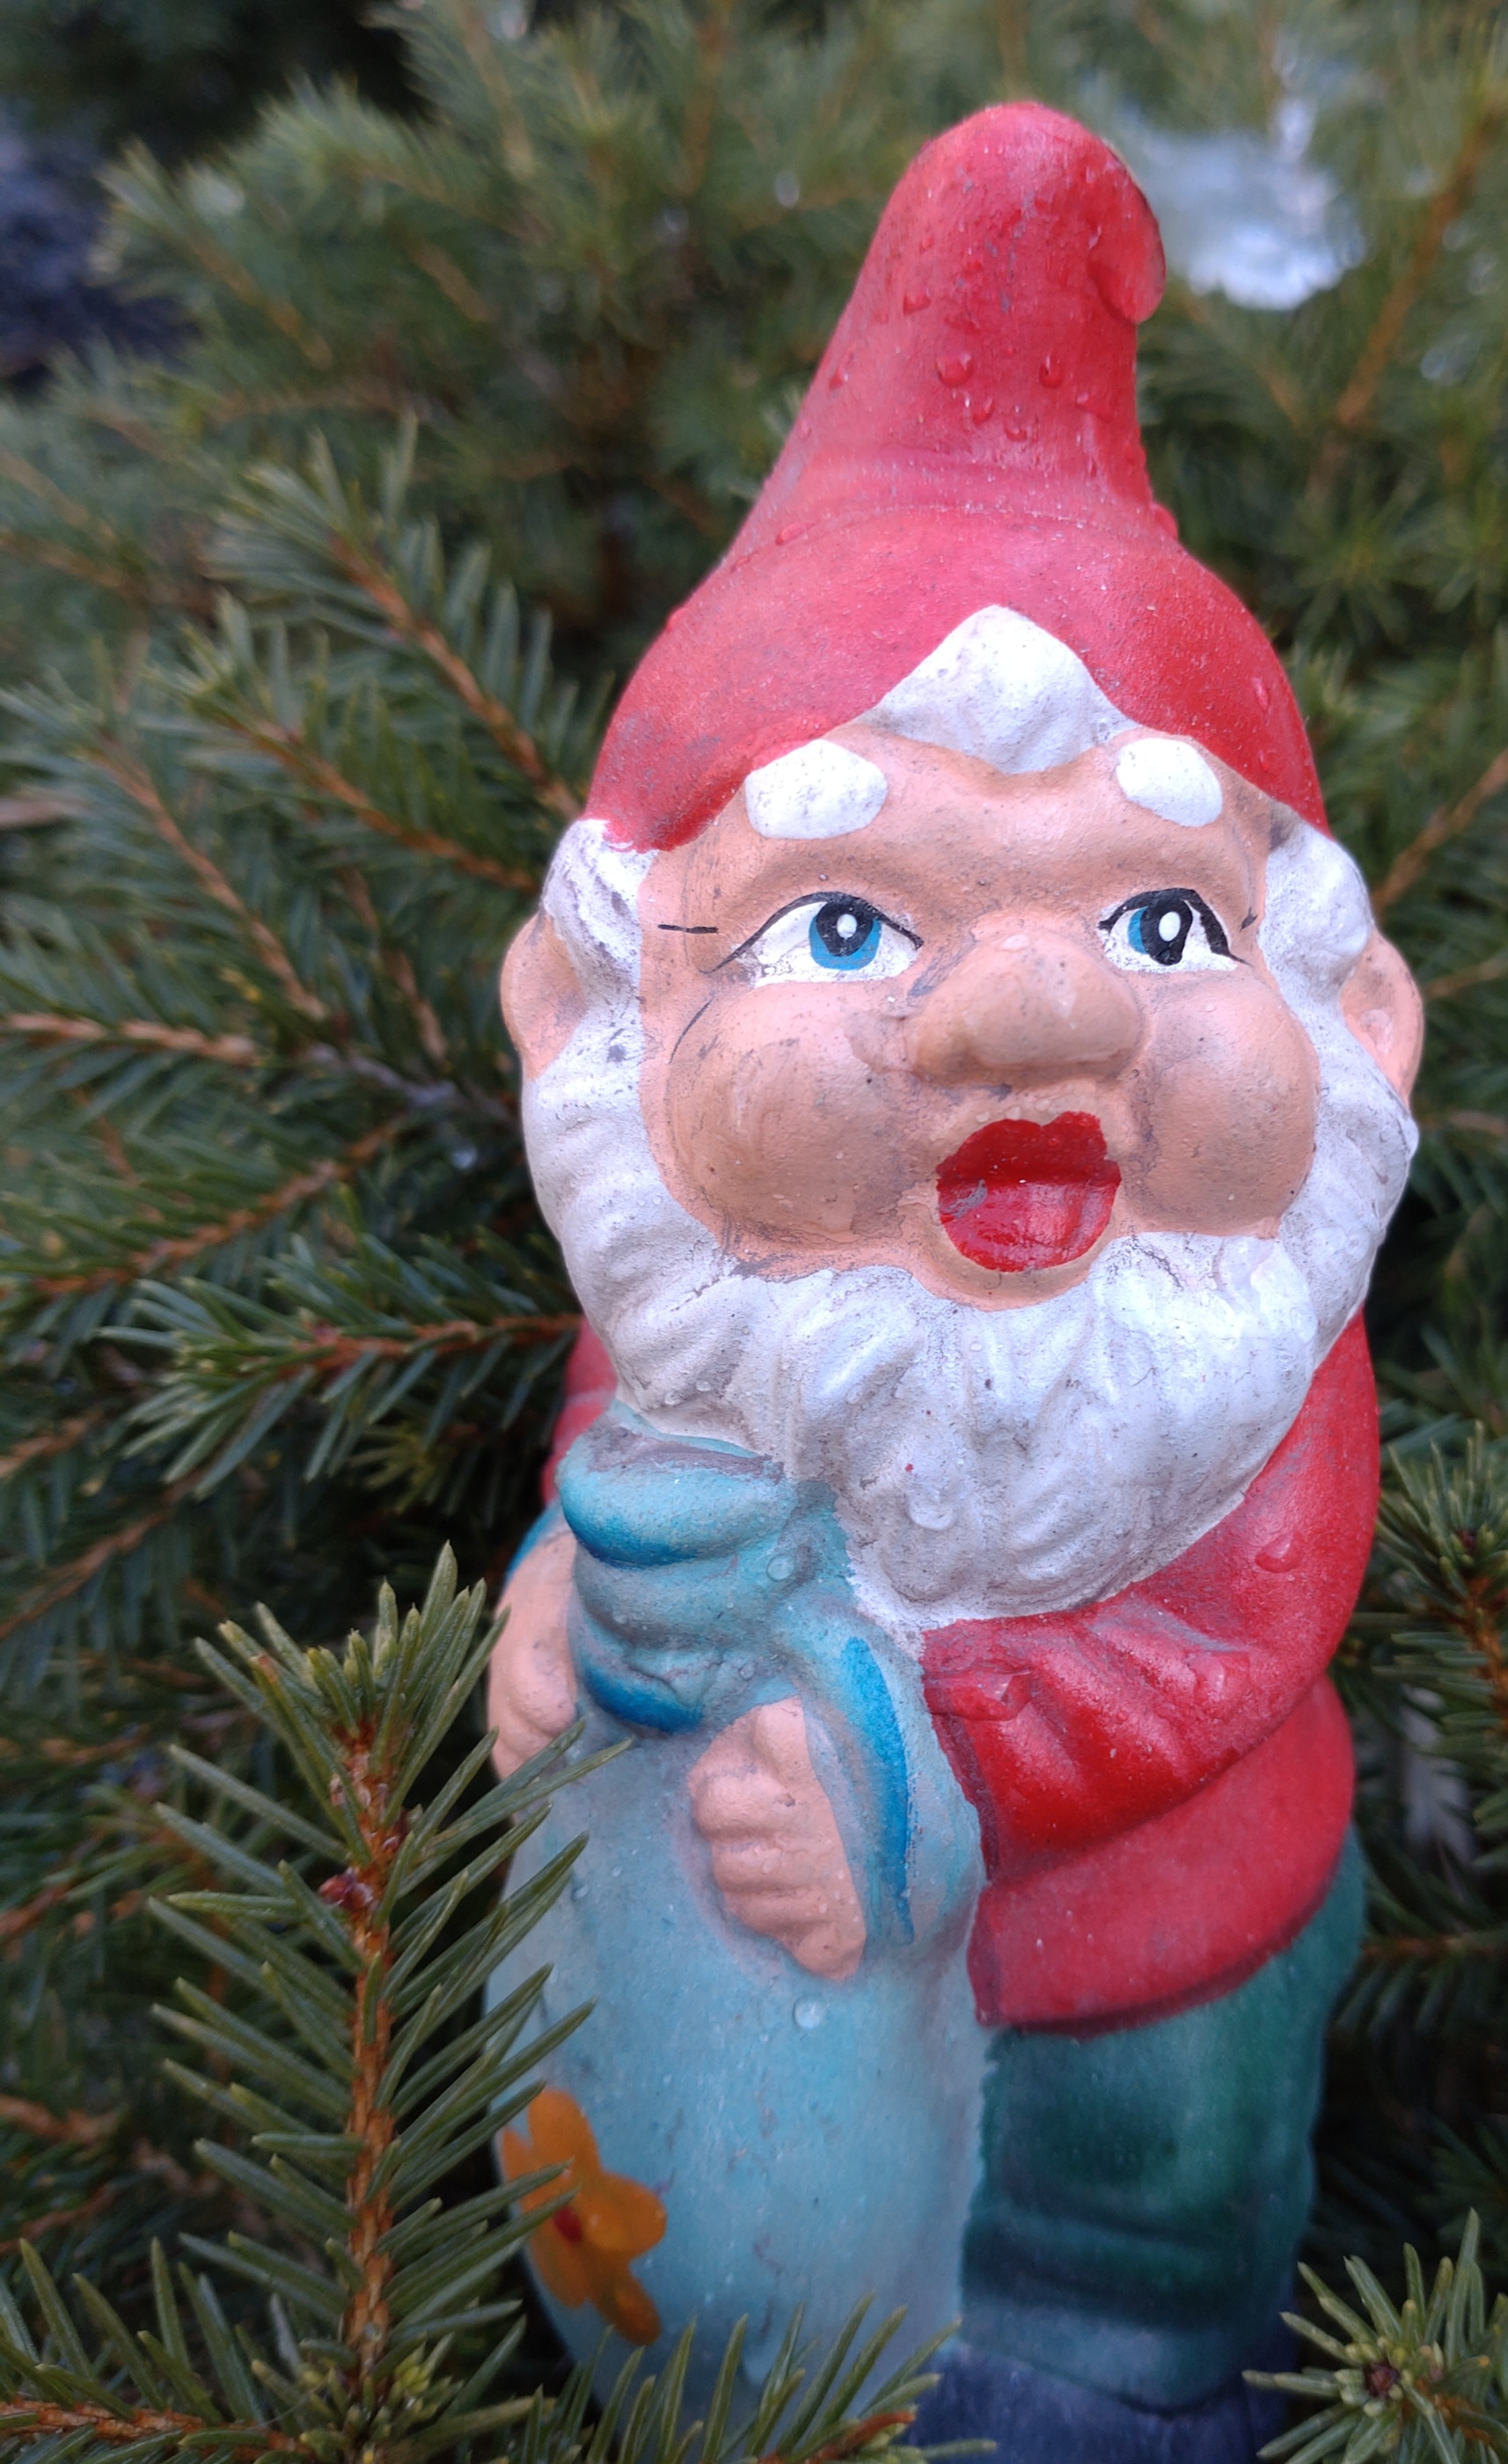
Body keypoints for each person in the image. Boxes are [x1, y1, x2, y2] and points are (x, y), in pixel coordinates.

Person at [487, 100, 1422, 2464]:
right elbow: (641, 1448)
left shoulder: (1236, 1370)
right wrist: (561, 1598)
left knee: (1149, 2207)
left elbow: (1215, 1651)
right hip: (738, 2016)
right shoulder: (715, 1301)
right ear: (593, 1020)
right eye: (844, 922)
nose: (1029, 1018)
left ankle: (1127, 2388)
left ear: (1354, 1018)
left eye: (1160, 919)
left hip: (1155, 1955)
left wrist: (905, 1783)